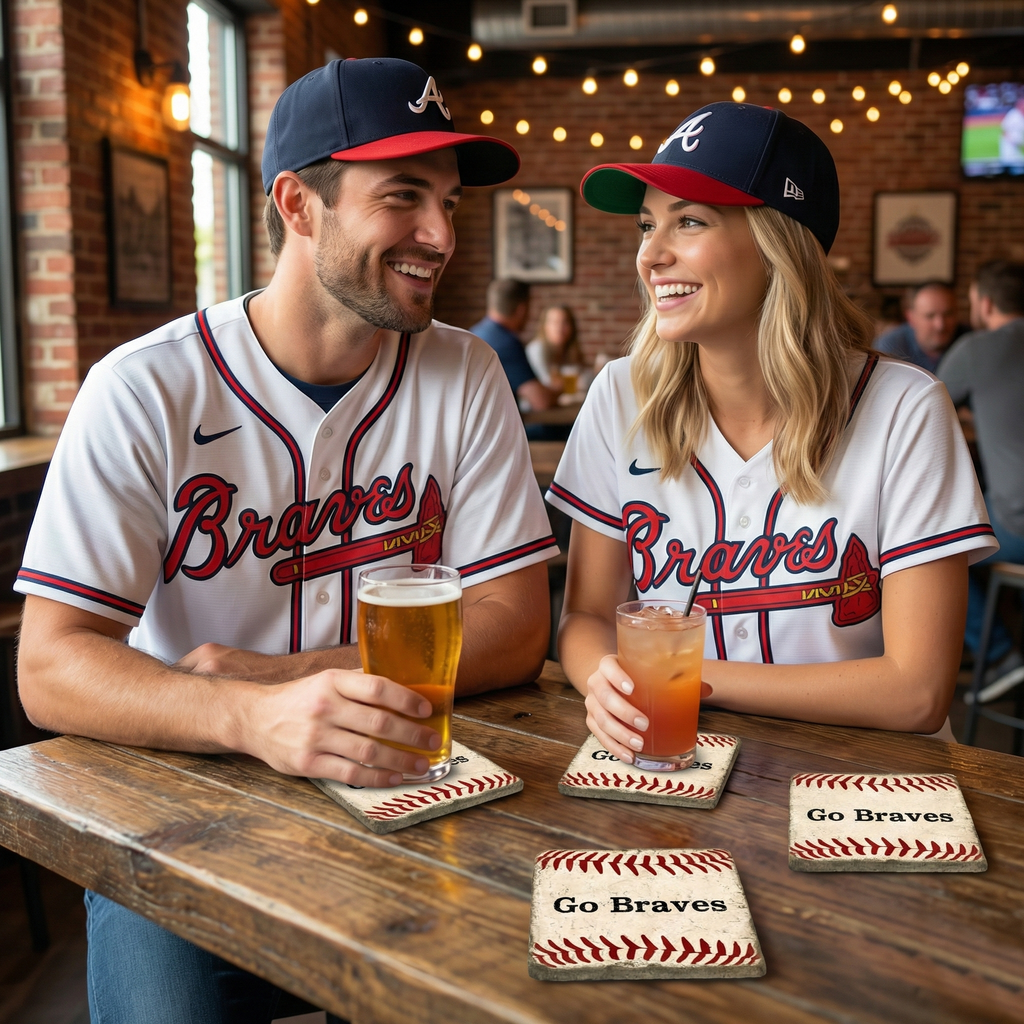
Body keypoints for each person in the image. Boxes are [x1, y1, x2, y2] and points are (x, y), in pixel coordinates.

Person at [15, 58, 558, 1024]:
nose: (439, 233)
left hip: (415, 781)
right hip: (188, 802)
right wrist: (244, 717)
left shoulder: (465, 372)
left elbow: (515, 627)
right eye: (402, 197)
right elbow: (51, 668)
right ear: (298, 205)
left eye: (447, 200)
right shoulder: (144, 389)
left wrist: (283, 676)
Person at [545, 102, 997, 764]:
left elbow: (916, 690)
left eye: (689, 221)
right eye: (647, 225)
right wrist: (603, 684)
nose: (652, 255)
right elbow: (584, 619)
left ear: (779, 241)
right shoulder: (621, 394)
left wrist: (685, 680)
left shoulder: (905, 408)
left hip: (867, 784)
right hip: (673, 767)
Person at [939, 260, 1024, 699]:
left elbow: (923, 407)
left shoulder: (978, 349)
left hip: (1018, 527)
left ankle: (998, 657)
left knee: (942, 552)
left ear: (984, 303)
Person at [471, 279, 559, 412]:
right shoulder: (507, 342)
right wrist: (558, 390)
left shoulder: (474, 334)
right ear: (521, 310)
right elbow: (541, 401)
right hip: (501, 430)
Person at [874, 282, 969, 373]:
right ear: (911, 318)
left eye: (948, 314)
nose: (940, 325)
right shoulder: (890, 348)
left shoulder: (970, 342)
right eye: (930, 316)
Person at [526, 305, 585, 390]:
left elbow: (584, 379)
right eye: (555, 322)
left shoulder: (570, 351)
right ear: (544, 326)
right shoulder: (537, 349)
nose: (560, 327)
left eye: (565, 322)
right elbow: (547, 384)